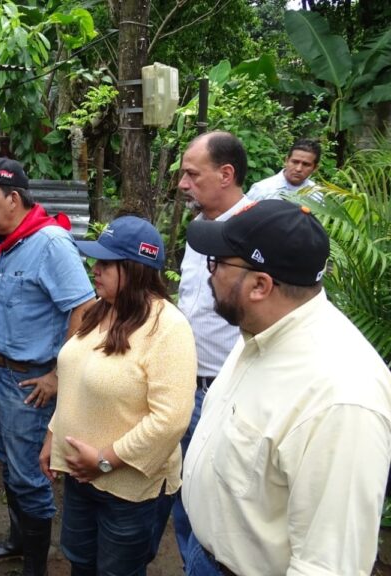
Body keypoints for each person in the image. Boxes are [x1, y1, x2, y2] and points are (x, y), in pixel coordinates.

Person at [182, 200, 391, 576]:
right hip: (206, 556)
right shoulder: (262, 331)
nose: (209, 274)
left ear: (260, 285)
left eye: (217, 263)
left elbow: (328, 565)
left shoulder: (341, 397)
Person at [0, 158, 95, 576]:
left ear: (12, 198)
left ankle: (35, 567)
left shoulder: (50, 243)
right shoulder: (12, 241)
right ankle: (19, 541)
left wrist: (59, 374)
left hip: (28, 382)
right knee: (7, 463)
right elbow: (5, 308)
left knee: (29, 475)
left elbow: (84, 308)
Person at [39, 215, 196, 576]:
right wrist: (53, 436)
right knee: (81, 562)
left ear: (136, 269)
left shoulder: (168, 327)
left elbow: (170, 420)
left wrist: (106, 460)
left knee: (117, 571)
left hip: (129, 487)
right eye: (96, 260)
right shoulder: (98, 310)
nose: (96, 269)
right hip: (82, 475)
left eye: (108, 263)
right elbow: (74, 380)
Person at [172, 130, 253, 561]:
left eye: (191, 174)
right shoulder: (199, 228)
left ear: (226, 174)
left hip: (229, 394)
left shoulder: (258, 231)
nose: (183, 183)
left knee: (221, 505)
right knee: (184, 495)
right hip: (186, 386)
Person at [246, 138, 321, 201]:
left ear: (315, 168)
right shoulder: (262, 190)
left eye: (306, 164)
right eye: (295, 162)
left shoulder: (317, 194)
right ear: (286, 161)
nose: (298, 169)